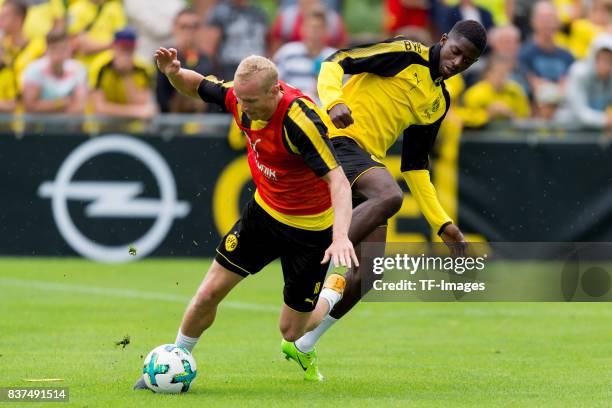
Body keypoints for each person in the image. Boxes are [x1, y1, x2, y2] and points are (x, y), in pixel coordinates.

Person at [134, 50, 359, 388]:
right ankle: (177, 359)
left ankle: (333, 289)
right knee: (209, 291)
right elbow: (197, 86)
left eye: (251, 101)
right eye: (239, 99)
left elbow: (338, 181)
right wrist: (172, 73)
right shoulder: (240, 98)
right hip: (263, 215)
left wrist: (340, 236)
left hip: (310, 232)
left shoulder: (301, 122)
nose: (244, 108)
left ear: (275, 91)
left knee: (292, 330)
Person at [284, 20, 487, 381]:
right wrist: (334, 102)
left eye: (467, 61)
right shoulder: (405, 53)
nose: (457, 63)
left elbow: (415, 167)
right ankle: (320, 250)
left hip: (367, 162)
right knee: (390, 195)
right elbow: (337, 60)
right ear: (443, 40)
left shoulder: (438, 102)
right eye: (456, 51)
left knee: (372, 271)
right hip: (338, 143)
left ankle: (304, 344)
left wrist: (442, 223)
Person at [518, 1, 574, 119]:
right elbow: (531, 87)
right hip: (534, 115)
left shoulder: (568, 56)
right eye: (543, 18)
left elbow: (570, 88)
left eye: (552, 18)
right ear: (533, 21)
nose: (548, 23)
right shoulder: (523, 54)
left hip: (563, 115)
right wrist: (558, 89)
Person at [273, 6, 336, 105]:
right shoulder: (287, 53)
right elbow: (274, 85)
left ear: (326, 31)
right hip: (290, 109)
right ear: (302, 29)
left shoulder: (335, 58)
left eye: (318, 28)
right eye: (311, 27)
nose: (314, 32)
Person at [89, 28, 156, 120]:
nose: (126, 55)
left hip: (132, 128)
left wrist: (127, 75)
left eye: (130, 50)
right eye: (123, 49)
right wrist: (134, 112)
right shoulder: (100, 66)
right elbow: (99, 107)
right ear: (114, 47)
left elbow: (141, 105)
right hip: (102, 126)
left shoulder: (144, 69)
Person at [156, 7, 213, 113]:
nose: (189, 31)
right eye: (184, 27)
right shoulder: (164, 57)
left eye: (194, 27)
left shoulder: (207, 61)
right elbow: (160, 98)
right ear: (174, 28)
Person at [22, 29, 88, 114]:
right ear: (46, 50)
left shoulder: (79, 68)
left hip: (69, 125)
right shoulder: (34, 70)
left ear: (69, 49)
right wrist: (61, 103)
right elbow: (30, 106)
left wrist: (48, 107)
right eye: (54, 49)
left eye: (63, 48)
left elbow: (79, 106)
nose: (59, 53)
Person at [556, 33, 612, 129]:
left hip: (596, 134)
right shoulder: (578, 73)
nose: (604, 63)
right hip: (569, 132)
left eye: (609, 59)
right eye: (601, 58)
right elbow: (579, 113)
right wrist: (605, 120)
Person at [461, 53, 530, 127]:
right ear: (487, 73)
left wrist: (510, 114)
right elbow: (465, 120)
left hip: (511, 137)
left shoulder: (516, 91)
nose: (502, 76)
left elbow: (525, 120)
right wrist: (488, 113)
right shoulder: (474, 93)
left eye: (506, 72)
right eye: (498, 72)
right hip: (482, 136)